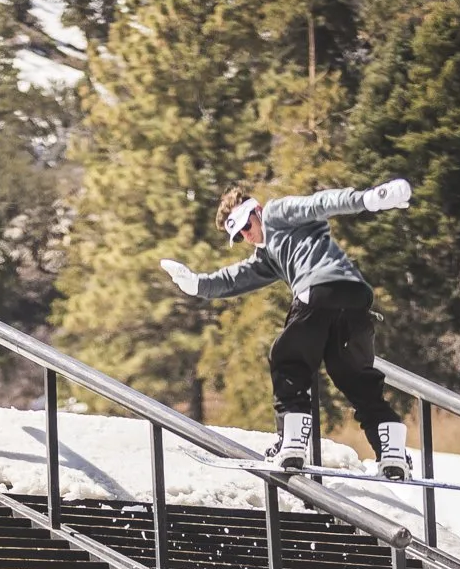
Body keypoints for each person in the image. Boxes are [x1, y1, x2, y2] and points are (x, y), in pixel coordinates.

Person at [158, 180, 415, 479]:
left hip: (318, 291)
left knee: (287, 359)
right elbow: (233, 279)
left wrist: (368, 199)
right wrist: (196, 284)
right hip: (355, 299)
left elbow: (320, 203)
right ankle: (392, 453)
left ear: (256, 210)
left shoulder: (277, 213)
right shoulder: (267, 258)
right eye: (239, 235)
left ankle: (292, 443)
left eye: (246, 226)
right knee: (354, 376)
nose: (247, 235)